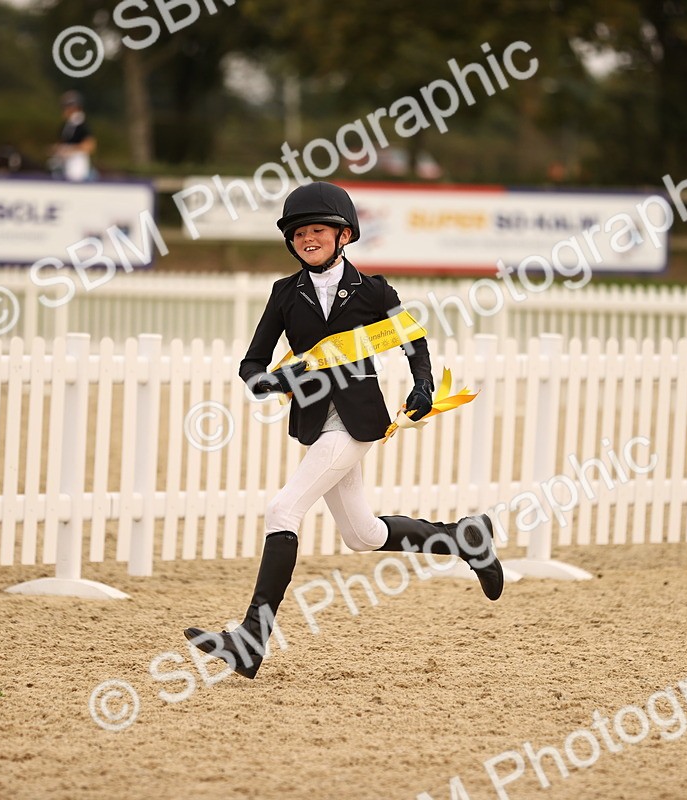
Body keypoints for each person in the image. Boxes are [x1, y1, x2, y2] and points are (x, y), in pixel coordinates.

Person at [184, 182, 504, 679]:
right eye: (298, 234)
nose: (307, 239)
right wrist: (272, 381)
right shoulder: (284, 293)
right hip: (315, 420)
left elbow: (413, 341)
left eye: (317, 230)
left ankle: (251, 638)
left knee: (282, 509)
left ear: (344, 235)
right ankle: (465, 538)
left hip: (357, 421)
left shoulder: (374, 290)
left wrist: (422, 385)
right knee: (362, 534)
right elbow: (252, 364)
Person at [51, 91, 96, 181]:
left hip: (77, 163)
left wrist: (69, 150)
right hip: (64, 162)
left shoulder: (82, 125)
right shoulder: (67, 125)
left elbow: (90, 146)